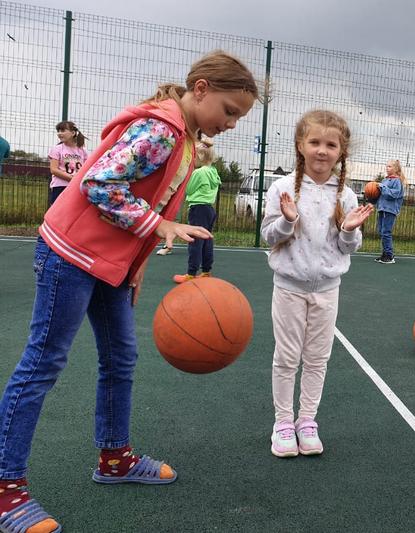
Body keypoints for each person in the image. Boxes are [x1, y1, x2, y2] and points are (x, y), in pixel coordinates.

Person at [0, 50, 258, 533]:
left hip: (108, 262)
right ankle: (5, 489)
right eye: (229, 111)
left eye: (238, 117)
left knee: (120, 357)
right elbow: (99, 183)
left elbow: (148, 197)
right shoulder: (161, 130)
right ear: (201, 89)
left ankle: (115, 459)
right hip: (70, 253)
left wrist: (134, 264)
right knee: (42, 363)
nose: (231, 124)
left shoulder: (186, 139)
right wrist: (159, 227)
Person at [261, 109, 373, 458]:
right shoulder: (282, 189)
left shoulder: (346, 196)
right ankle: (283, 424)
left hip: (327, 290)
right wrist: (287, 221)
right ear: (300, 145)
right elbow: (268, 236)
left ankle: (307, 421)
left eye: (331, 145)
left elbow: (347, 247)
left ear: (341, 151)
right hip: (289, 288)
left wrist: (349, 231)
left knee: (317, 358)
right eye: (314, 142)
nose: (322, 150)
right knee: (286, 357)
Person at [168, 139, 221, 280]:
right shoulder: (213, 172)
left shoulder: (199, 173)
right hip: (209, 209)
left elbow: (189, 189)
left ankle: (191, 273)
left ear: (200, 157)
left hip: (198, 209)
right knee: (207, 240)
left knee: (195, 240)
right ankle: (206, 271)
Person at [47, 121, 88, 205]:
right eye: (58, 131)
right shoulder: (57, 149)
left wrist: (78, 180)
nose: (59, 133)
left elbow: (86, 168)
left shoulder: (83, 150)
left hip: (77, 186)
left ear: (73, 133)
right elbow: (54, 170)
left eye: (63, 131)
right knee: (58, 211)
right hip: (60, 186)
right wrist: (72, 178)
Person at [374, 159, 405, 264]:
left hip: (390, 210)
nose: (387, 168)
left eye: (389, 166)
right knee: (381, 231)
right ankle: (385, 253)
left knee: (386, 232)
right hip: (382, 209)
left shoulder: (397, 181)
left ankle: (389, 255)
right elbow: (380, 194)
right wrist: (372, 193)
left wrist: (382, 187)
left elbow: (394, 194)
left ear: (395, 168)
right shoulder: (385, 180)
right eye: (386, 166)